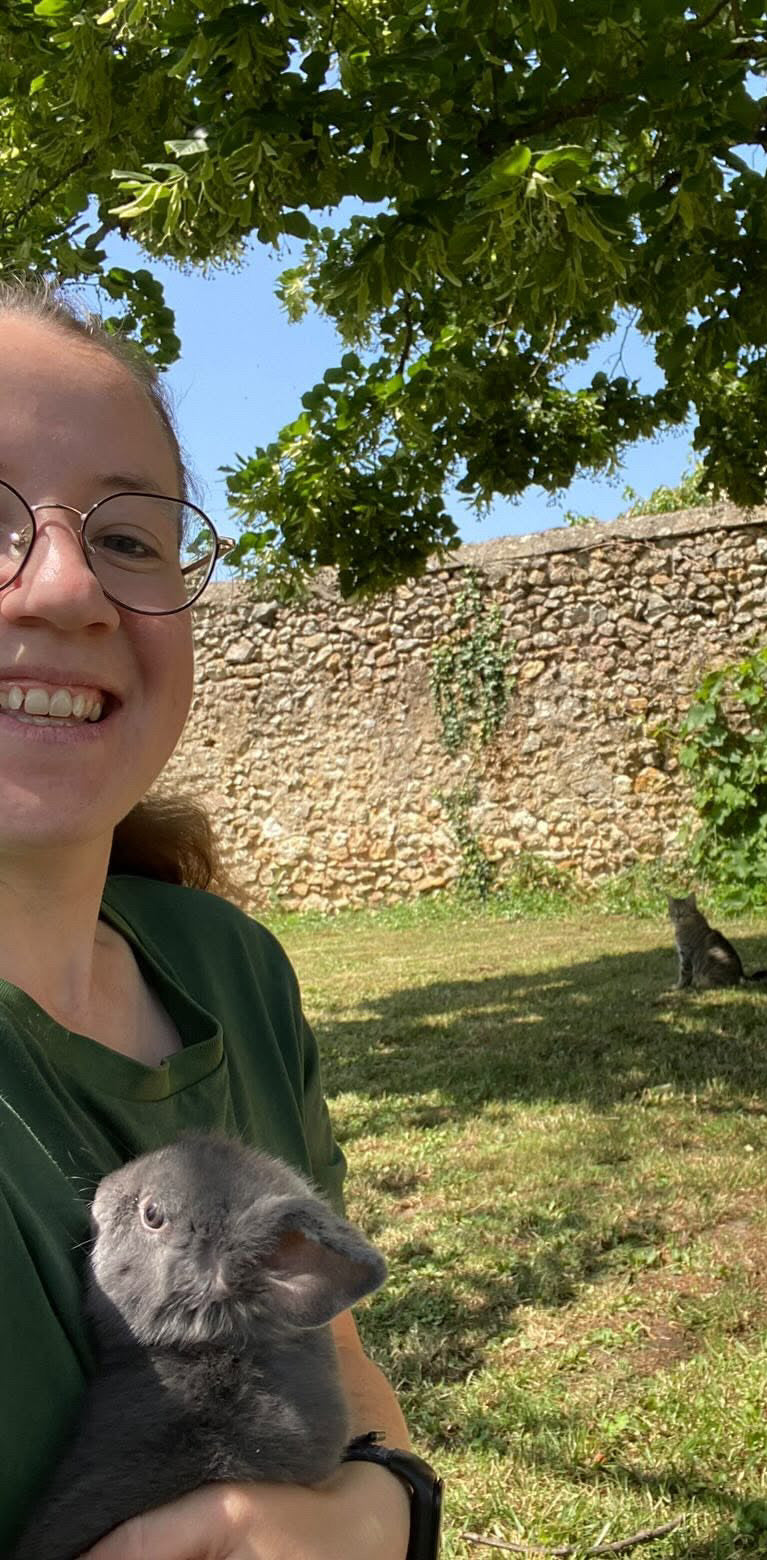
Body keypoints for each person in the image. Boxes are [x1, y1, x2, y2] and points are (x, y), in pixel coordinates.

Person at [0, 280, 421, 1559]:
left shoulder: (225, 968)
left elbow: (342, 1371)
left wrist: (383, 1509)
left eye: (131, 538)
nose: (68, 586)